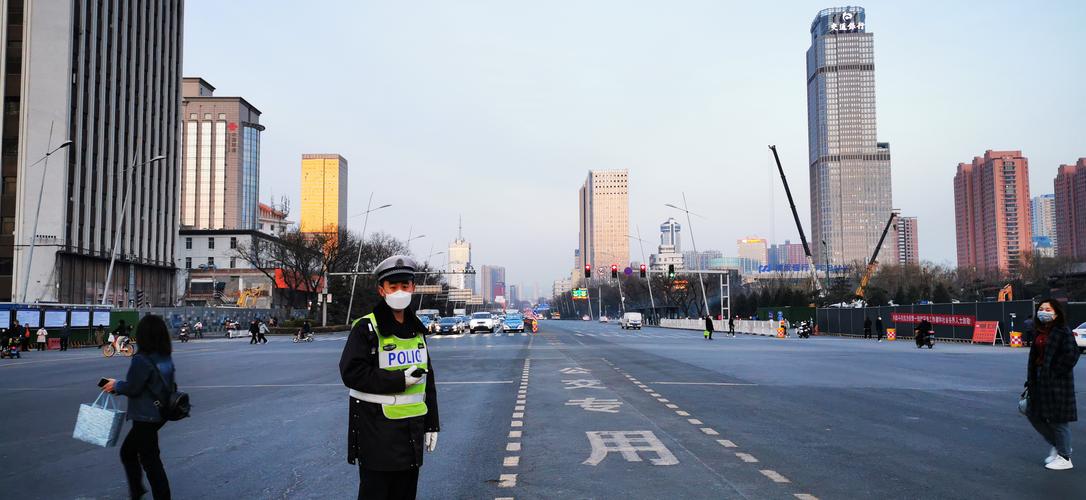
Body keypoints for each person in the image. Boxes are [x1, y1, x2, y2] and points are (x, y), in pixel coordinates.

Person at [340, 255, 439, 500]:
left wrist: (431, 424)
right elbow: (351, 372)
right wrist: (398, 380)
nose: (400, 292)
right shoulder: (367, 328)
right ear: (381, 290)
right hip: (377, 433)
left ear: (413, 288)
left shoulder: (417, 330)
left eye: (405, 286)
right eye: (393, 287)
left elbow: (428, 381)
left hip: (411, 432)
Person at [101, 315, 175, 498]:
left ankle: (145, 493)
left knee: (149, 460)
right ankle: (137, 490)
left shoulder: (142, 359)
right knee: (132, 453)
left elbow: (133, 388)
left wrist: (116, 385)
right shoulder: (165, 357)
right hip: (160, 413)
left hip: (145, 415)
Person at [1025, 299, 1080, 471]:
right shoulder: (1040, 331)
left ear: (1056, 313)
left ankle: (1065, 457)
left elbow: (1072, 354)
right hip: (1039, 378)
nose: (1043, 312)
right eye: (1041, 308)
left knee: (1058, 420)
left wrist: (1055, 372)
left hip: (1057, 381)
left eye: (1048, 309)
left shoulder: (1062, 331)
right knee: (1033, 413)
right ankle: (1059, 445)